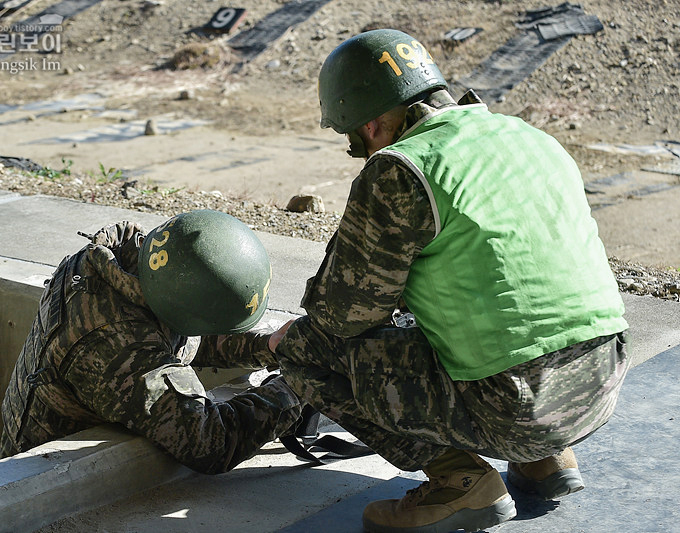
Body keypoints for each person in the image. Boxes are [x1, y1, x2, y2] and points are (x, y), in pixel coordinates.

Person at [206, 29, 630, 532]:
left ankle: (459, 482)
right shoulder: (527, 136)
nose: (357, 151)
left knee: (304, 351)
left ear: (376, 122)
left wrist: (281, 337)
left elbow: (342, 317)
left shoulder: (402, 170)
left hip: (517, 407)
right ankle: (547, 460)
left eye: (354, 139)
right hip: (600, 381)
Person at [0, 210, 302, 475]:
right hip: (43, 484)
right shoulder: (119, 346)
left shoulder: (142, 265)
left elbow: (183, 334)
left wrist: (267, 345)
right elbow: (210, 442)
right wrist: (296, 389)